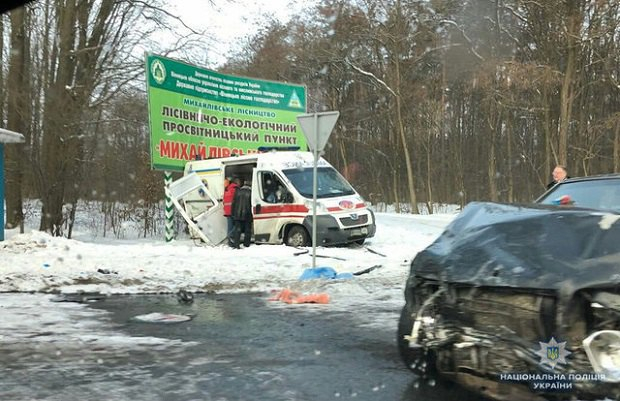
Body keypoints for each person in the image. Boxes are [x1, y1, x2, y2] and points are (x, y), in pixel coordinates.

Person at [230, 179, 252, 248]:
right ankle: (246, 244)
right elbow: (251, 204)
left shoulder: (238, 191)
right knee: (247, 230)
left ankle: (237, 244)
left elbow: (233, 203)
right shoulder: (251, 192)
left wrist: (233, 213)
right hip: (247, 214)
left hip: (237, 214)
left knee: (238, 230)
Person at [222, 176, 239, 245]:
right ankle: (231, 238)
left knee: (230, 226)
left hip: (227, 211)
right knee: (237, 225)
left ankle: (230, 240)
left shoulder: (227, 190)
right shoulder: (235, 189)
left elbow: (225, 201)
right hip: (233, 211)